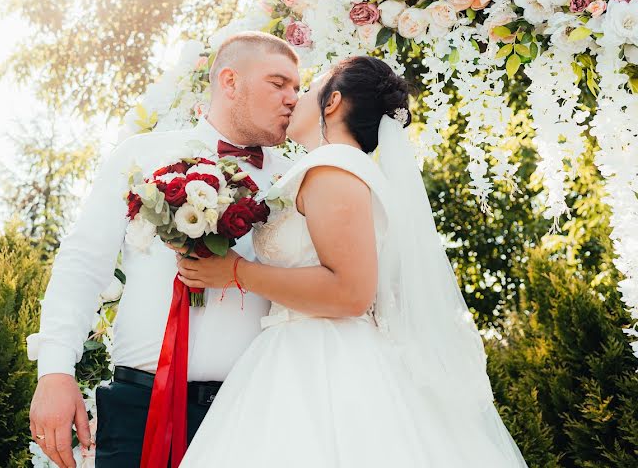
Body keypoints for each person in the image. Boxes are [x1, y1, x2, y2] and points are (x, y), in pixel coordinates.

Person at [178, 56, 528, 467]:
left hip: (323, 361)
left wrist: (235, 272)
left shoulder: (335, 169)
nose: (295, 99)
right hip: (297, 349)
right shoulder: (329, 168)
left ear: (333, 102)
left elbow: (350, 292)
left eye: (307, 90)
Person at [26, 31, 301, 468]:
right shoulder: (141, 156)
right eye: (278, 83)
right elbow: (82, 265)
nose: (292, 98)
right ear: (229, 82)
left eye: (298, 89)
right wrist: (55, 370)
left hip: (254, 415)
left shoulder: (298, 182)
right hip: (139, 410)